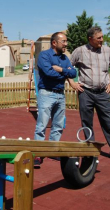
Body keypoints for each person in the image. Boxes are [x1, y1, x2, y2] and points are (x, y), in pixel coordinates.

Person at [68, 26, 110, 163]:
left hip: (102, 93)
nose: (102, 40)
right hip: (85, 92)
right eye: (99, 38)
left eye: (102, 37)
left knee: (108, 123)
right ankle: (90, 151)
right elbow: (67, 67)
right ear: (90, 39)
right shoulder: (80, 51)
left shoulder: (107, 51)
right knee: (87, 122)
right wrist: (72, 83)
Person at [34, 32, 77, 166]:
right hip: (46, 94)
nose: (66, 44)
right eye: (63, 41)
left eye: (66, 41)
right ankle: (38, 154)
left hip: (60, 94)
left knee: (58, 126)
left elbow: (74, 73)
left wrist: (60, 70)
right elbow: (48, 73)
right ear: (54, 43)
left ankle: (52, 151)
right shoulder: (44, 56)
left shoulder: (65, 58)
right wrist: (65, 73)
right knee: (42, 125)